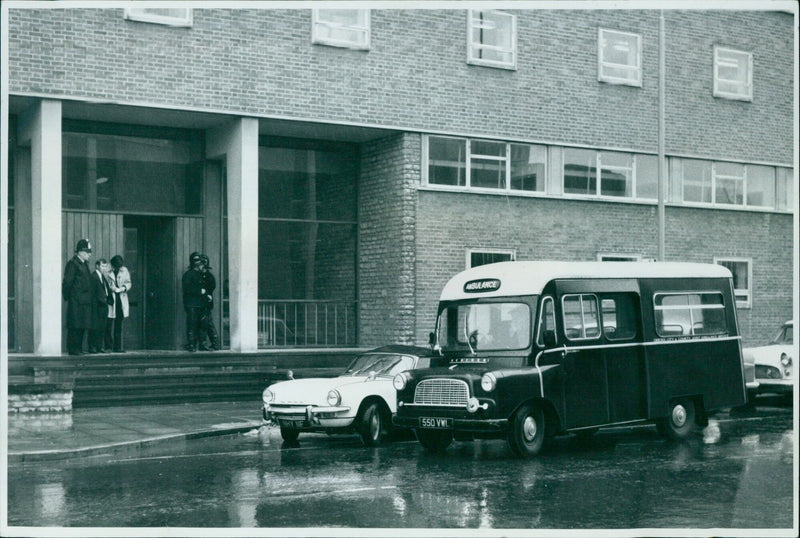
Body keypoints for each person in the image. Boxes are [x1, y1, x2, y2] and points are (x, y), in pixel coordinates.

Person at [62, 239, 93, 355]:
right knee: (75, 325)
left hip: (83, 301)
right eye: (87, 251)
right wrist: (70, 297)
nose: (89, 254)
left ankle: (78, 349)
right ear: (80, 252)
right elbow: (67, 283)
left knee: (81, 325)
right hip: (76, 301)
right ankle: (73, 349)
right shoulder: (73, 264)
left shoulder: (83, 264)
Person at [182, 252, 206, 352]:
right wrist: (199, 291)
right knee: (192, 324)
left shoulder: (202, 275)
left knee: (202, 324)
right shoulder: (188, 274)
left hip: (200, 303)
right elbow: (186, 289)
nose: (199, 264)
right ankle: (191, 344)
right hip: (191, 303)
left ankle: (201, 344)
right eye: (197, 262)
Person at [107, 255, 132, 352]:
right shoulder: (107, 270)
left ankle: (118, 347)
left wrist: (123, 288)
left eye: (120, 267)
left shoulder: (124, 270)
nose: (118, 268)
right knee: (109, 324)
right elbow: (105, 283)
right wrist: (112, 288)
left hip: (121, 299)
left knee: (119, 324)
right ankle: (108, 347)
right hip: (111, 299)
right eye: (117, 266)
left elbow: (128, 282)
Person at [89, 258, 114, 353]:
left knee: (102, 327)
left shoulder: (102, 277)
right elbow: (93, 292)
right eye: (102, 266)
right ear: (97, 266)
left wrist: (108, 300)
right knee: (95, 327)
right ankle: (93, 347)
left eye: (105, 266)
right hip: (97, 306)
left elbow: (106, 290)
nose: (104, 268)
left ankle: (99, 347)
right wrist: (102, 300)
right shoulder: (94, 276)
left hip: (104, 305)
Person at [198, 254, 220, 351]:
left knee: (205, 323)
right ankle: (215, 343)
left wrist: (205, 293)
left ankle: (206, 343)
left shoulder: (209, 277)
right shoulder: (200, 275)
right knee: (207, 322)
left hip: (205, 303)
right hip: (200, 302)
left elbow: (210, 287)